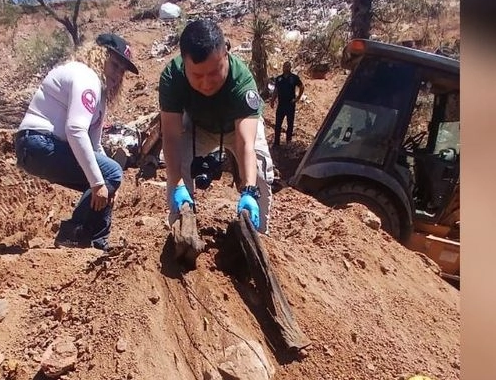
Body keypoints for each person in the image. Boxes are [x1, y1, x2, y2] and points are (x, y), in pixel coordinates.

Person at [15, 33, 139, 250]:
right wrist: (101, 182)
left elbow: (94, 146)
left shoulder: (98, 95)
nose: (118, 74)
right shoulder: (85, 76)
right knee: (110, 174)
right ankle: (72, 234)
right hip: (39, 142)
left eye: (122, 70)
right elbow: (75, 129)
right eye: (115, 64)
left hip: (38, 147)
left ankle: (94, 243)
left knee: (109, 175)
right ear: (99, 55)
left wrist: (108, 185)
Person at [158, 19, 276, 234]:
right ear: (184, 64)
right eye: (197, 75)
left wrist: (248, 189)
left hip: (236, 128)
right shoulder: (172, 77)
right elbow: (171, 137)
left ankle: (259, 235)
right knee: (178, 164)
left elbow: (245, 144)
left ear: (226, 55)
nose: (206, 83)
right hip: (198, 127)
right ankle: (180, 230)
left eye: (214, 72)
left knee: (259, 172)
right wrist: (177, 184)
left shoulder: (242, 81)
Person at [270, 61, 304, 147]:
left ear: (290, 68)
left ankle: (288, 140)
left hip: (290, 104)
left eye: (288, 66)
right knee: (278, 124)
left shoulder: (294, 78)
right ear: (283, 67)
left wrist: (298, 98)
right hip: (281, 104)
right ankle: (276, 142)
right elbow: (276, 90)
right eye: (285, 66)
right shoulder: (279, 78)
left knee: (290, 123)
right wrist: (272, 100)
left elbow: (301, 87)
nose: (286, 68)